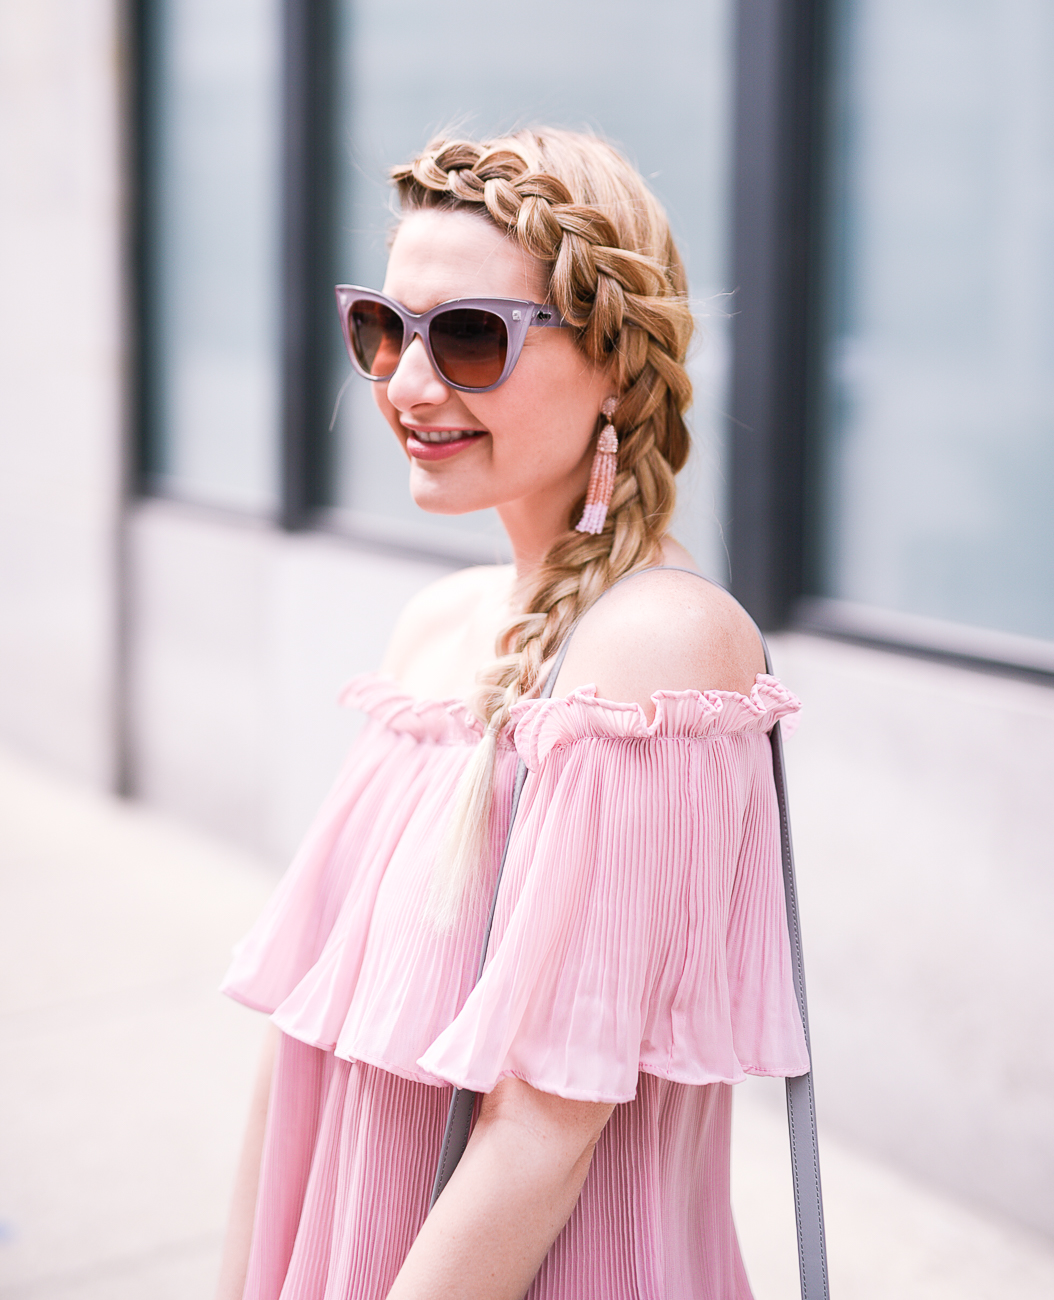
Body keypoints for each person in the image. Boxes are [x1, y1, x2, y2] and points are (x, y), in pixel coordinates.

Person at [215, 127, 809, 1300]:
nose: (408, 384)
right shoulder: (435, 625)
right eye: (383, 328)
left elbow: (542, 1132)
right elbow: (300, 1059)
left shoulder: (658, 648)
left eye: (472, 337)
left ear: (619, 368)